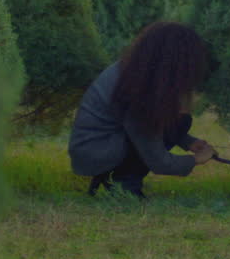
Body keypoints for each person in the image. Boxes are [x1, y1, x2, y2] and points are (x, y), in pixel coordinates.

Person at [68, 21, 216, 198]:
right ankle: (122, 186)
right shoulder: (136, 87)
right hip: (96, 152)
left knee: (180, 121)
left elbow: (156, 125)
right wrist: (195, 160)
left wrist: (187, 141)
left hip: (106, 143)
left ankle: (117, 179)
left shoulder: (136, 71)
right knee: (177, 120)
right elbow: (157, 159)